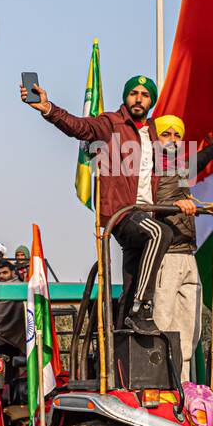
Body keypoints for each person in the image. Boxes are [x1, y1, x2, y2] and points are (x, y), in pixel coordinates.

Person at [22, 75, 172, 333]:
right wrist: (48, 108)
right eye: (134, 93)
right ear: (126, 96)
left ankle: (124, 336)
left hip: (148, 213)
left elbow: (173, 168)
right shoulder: (112, 123)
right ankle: (141, 307)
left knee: (134, 278)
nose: (138, 98)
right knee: (161, 233)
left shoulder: (155, 133)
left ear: (151, 101)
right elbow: (79, 127)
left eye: (145, 95)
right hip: (123, 211)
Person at [151, 115, 207, 382]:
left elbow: (206, 158)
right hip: (166, 254)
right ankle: (162, 386)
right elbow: (155, 198)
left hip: (187, 253)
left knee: (189, 328)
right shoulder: (148, 168)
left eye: (177, 135)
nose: (172, 140)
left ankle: (182, 386)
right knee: (162, 323)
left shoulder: (180, 169)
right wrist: (178, 203)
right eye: (166, 134)